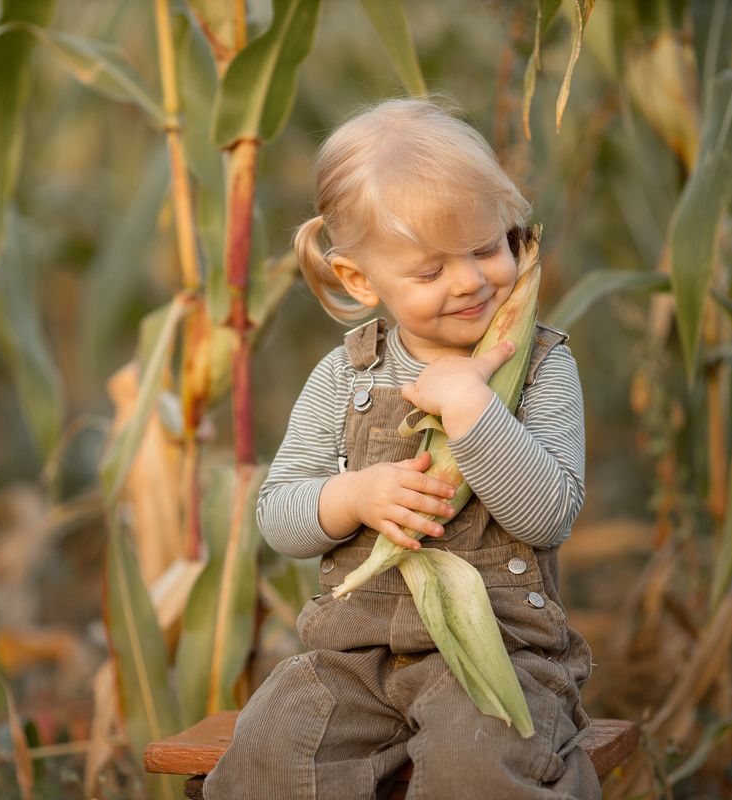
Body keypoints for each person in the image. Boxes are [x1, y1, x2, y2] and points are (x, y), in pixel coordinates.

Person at [202, 97, 601, 799]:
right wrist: (353, 495)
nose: (471, 280)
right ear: (360, 279)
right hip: (353, 655)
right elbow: (279, 516)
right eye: (430, 271)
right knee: (271, 750)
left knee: (479, 766)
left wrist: (474, 408)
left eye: (488, 247)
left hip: (498, 652)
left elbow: (548, 515)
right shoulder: (346, 374)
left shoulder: (540, 365)